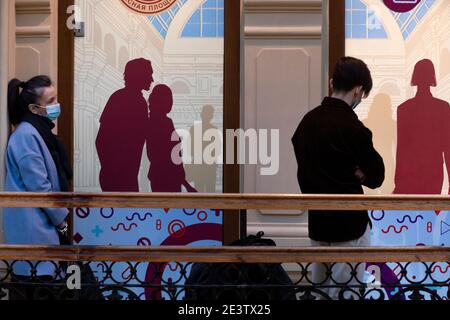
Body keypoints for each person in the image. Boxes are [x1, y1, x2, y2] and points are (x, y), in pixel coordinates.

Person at [291, 57, 385, 300]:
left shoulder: (307, 123)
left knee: (320, 291)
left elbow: (306, 170)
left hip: (319, 223)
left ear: (331, 83)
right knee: (347, 293)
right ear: (358, 90)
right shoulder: (354, 129)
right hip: (350, 224)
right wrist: (358, 172)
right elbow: (377, 175)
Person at [4, 76, 72, 299]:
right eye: (51, 100)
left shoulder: (36, 132)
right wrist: (61, 220)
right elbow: (40, 187)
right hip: (35, 233)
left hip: (40, 232)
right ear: (34, 108)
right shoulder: (26, 135)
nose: (56, 105)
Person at [96, 58, 153, 192]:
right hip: (121, 176)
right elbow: (102, 139)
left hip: (120, 174)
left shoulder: (119, 97)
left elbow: (100, 139)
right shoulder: (136, 102)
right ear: (140, 75)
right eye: (149, 74)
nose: (152, 79)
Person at [394, 59, 450, 195]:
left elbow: (401, 148)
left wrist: (397, 181)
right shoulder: (442, 107)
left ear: (415, 77)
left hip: (409, 172)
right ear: (432, 77)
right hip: (433, 170)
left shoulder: (403, 108)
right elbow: (447, 147)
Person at [146, 84, 196, 192]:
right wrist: (186, 185)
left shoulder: (161, 122)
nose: (171, 103)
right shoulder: (163, 123)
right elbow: (171, 158)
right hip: (167, 178)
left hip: (162, 176)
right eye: (169, 99)